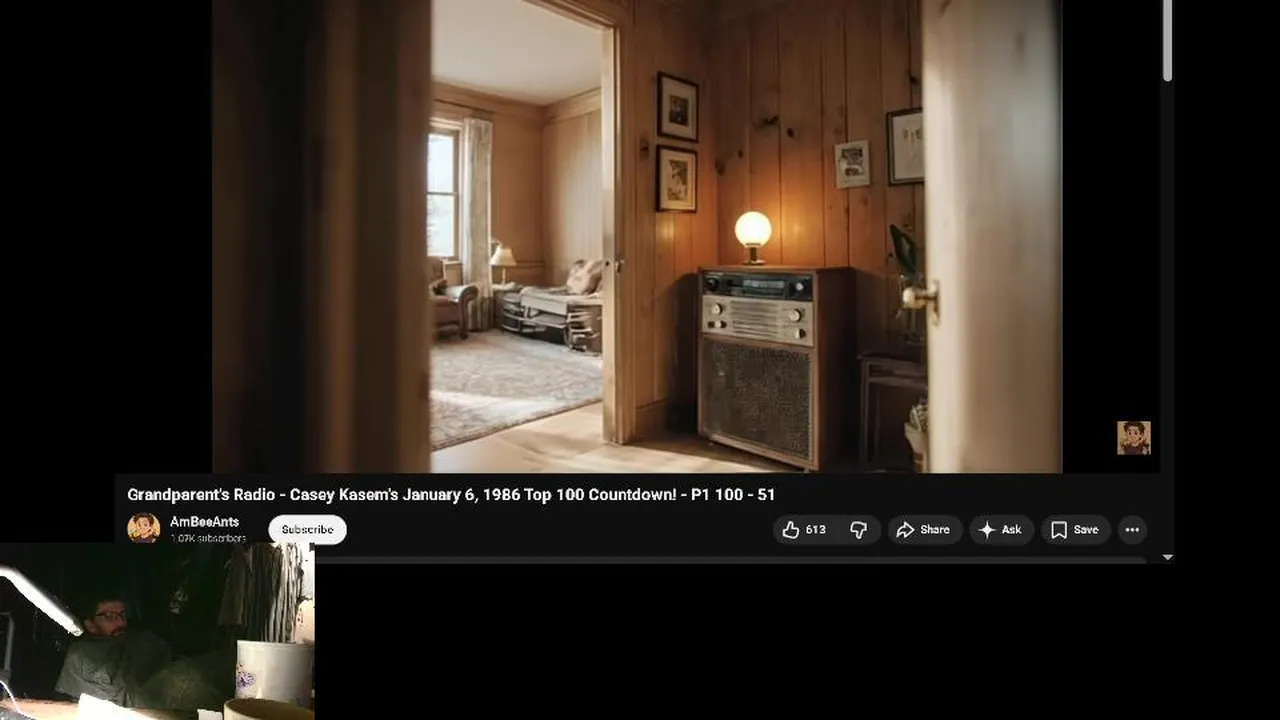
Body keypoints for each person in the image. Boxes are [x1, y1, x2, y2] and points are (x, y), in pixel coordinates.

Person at [55, 594, 171, 706]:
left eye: (122, 614)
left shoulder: (138, 639)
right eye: (109, 616)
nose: (121, 622)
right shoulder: (81, 654)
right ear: (91, 625)